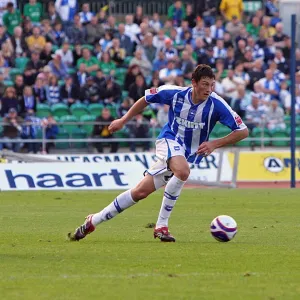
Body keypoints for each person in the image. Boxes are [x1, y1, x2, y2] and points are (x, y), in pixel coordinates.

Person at [68, 64, 248, 243]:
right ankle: (161, 226)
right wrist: (123, 120)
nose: (208, 89)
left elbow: (242, 131)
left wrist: (215, 143)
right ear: (194, 82)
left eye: (212, 85)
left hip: (187, 154)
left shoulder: (217, 104)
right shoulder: (175, 93)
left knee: (139, 193)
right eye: (205, 84)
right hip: (168, 141)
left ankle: (93, 221)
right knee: (183, 172)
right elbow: (146, 98)